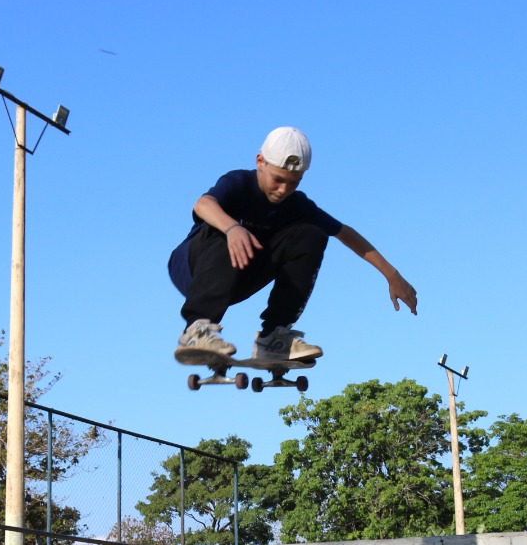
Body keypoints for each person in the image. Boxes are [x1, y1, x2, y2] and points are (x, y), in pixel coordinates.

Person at [169, 126, 418, 366]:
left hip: (240, 277)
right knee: (226, 227)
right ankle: (197, 328)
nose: (283, 190)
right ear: (260, 162)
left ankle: (274, 337)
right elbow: (203, 204)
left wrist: (392, 275)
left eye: (293, 183)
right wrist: (233, 228)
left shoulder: (297, 205)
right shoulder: (238, 182)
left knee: (312, 233)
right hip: (193, 270)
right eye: (278, 180)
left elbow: (346, 233)